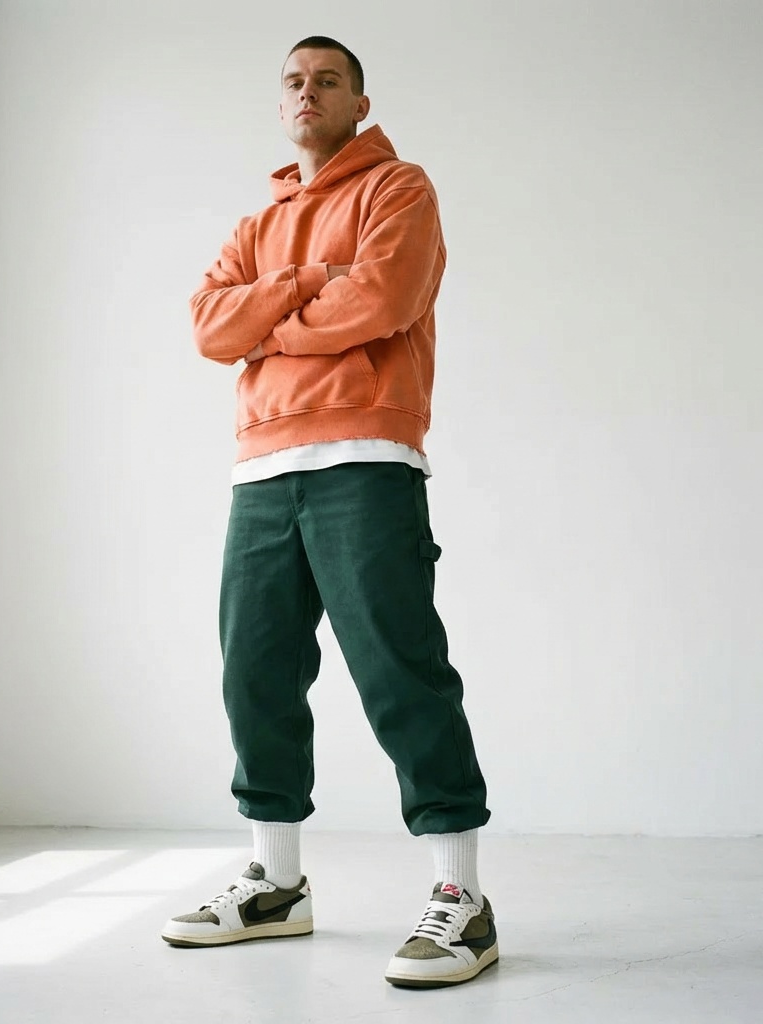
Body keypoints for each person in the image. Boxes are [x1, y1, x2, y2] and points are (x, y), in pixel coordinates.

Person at [160, 35, 498, 989]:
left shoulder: (399, 188)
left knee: (399, 669)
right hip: (261, 471)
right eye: (293, 82)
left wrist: (266, 322)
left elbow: (380, 301)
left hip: (366, 458)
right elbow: (208, 324)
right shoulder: (256, 223)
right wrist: (310, 284)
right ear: (281, 106)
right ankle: (276, 884)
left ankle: (463, 897)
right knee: (255, 672)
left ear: (359, 102)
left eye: (328, 80)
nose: (308, 92)